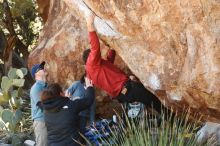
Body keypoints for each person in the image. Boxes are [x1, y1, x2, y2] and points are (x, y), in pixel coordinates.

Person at [83, 13, 173, 118]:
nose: (97, 56)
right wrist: (90, 25)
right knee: (153, 100)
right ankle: (174, 121)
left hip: (123, 94)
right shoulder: (91, 64)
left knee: (148, 103)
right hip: (127, 89)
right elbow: (95, 47)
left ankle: (158, 120)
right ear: (89, 58)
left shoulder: (92, 72)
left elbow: (108, 64)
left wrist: (112, 49)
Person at [41, 77, 95, 146]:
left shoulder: (46, 110)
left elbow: (60, 107)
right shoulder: (71, 105)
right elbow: (88, 100)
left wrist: (67, 99)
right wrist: (89, 87)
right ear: (60, 93)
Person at [30, 61, 48, 146]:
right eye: (40, 68)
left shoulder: (46, 86)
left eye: (43, 67)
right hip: (41, 122)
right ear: (36, 75)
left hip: (49, 120)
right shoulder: (36, 88)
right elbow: (43, 106)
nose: (43, 69)